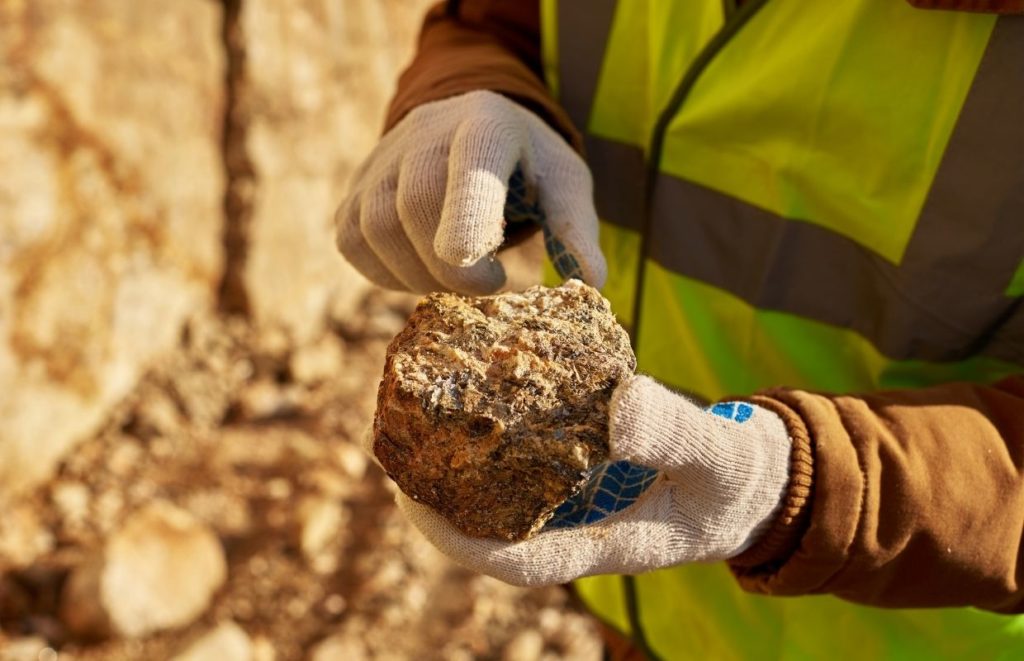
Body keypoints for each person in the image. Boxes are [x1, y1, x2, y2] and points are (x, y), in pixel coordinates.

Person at [334, 1, 1024, 657]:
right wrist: (471, 91)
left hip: (897, 636)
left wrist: (814, 488)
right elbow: (495, 21)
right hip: (641, 615)